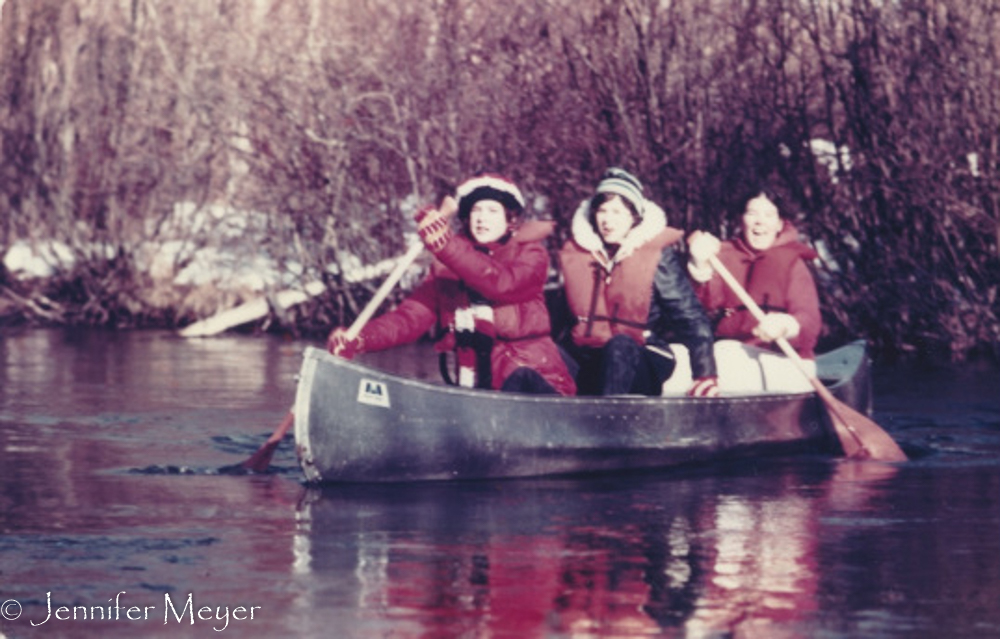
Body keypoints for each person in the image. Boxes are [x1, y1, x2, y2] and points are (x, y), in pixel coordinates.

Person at [328, 174, 576, 396]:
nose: (482, 219)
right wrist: (360, 339)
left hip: (537, 377)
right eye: (476, 211)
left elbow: (500, 284)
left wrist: (446, 246)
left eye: (492, 211)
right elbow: (410, 318)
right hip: (478, 386)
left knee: (520, 378)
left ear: (510, 219)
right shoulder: (447, 267)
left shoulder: (532, 255)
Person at [557, 167, 719, 397]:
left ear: (634, 217)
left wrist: (706, 375)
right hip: (591, 354)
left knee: (619, 347)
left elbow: (690, 318)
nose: (608, 220)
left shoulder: (657, 257)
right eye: (603, 211)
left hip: (643, 354)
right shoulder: (580, 255)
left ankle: (609, 424)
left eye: (617, 212)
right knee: (549, 354)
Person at [686, 188, 822, 390]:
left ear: (779, 224)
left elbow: (809, 321)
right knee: (692, 356)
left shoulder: (793, 263)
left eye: (768, 214)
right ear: (742, 220)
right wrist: (700, 268)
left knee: (726, 356)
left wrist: (786, 325)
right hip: (730, 354)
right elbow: (704, 306)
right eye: (752, 213)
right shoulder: (723, 256)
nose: (760, 221)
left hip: (784, 358)